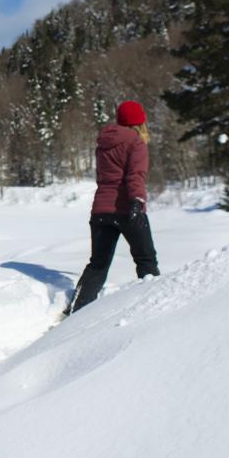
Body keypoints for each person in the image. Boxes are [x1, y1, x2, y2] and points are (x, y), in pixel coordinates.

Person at [66, 100, 160, 314]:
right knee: (146, 260)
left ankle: (76, 311)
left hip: (101, 210)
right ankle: (154, 309)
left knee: (98, 264)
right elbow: (135, 175)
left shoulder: (103, 143)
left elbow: (105, 177)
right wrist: (137, 201)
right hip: (127, 209)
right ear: (140, 122)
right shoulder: (136, 142)